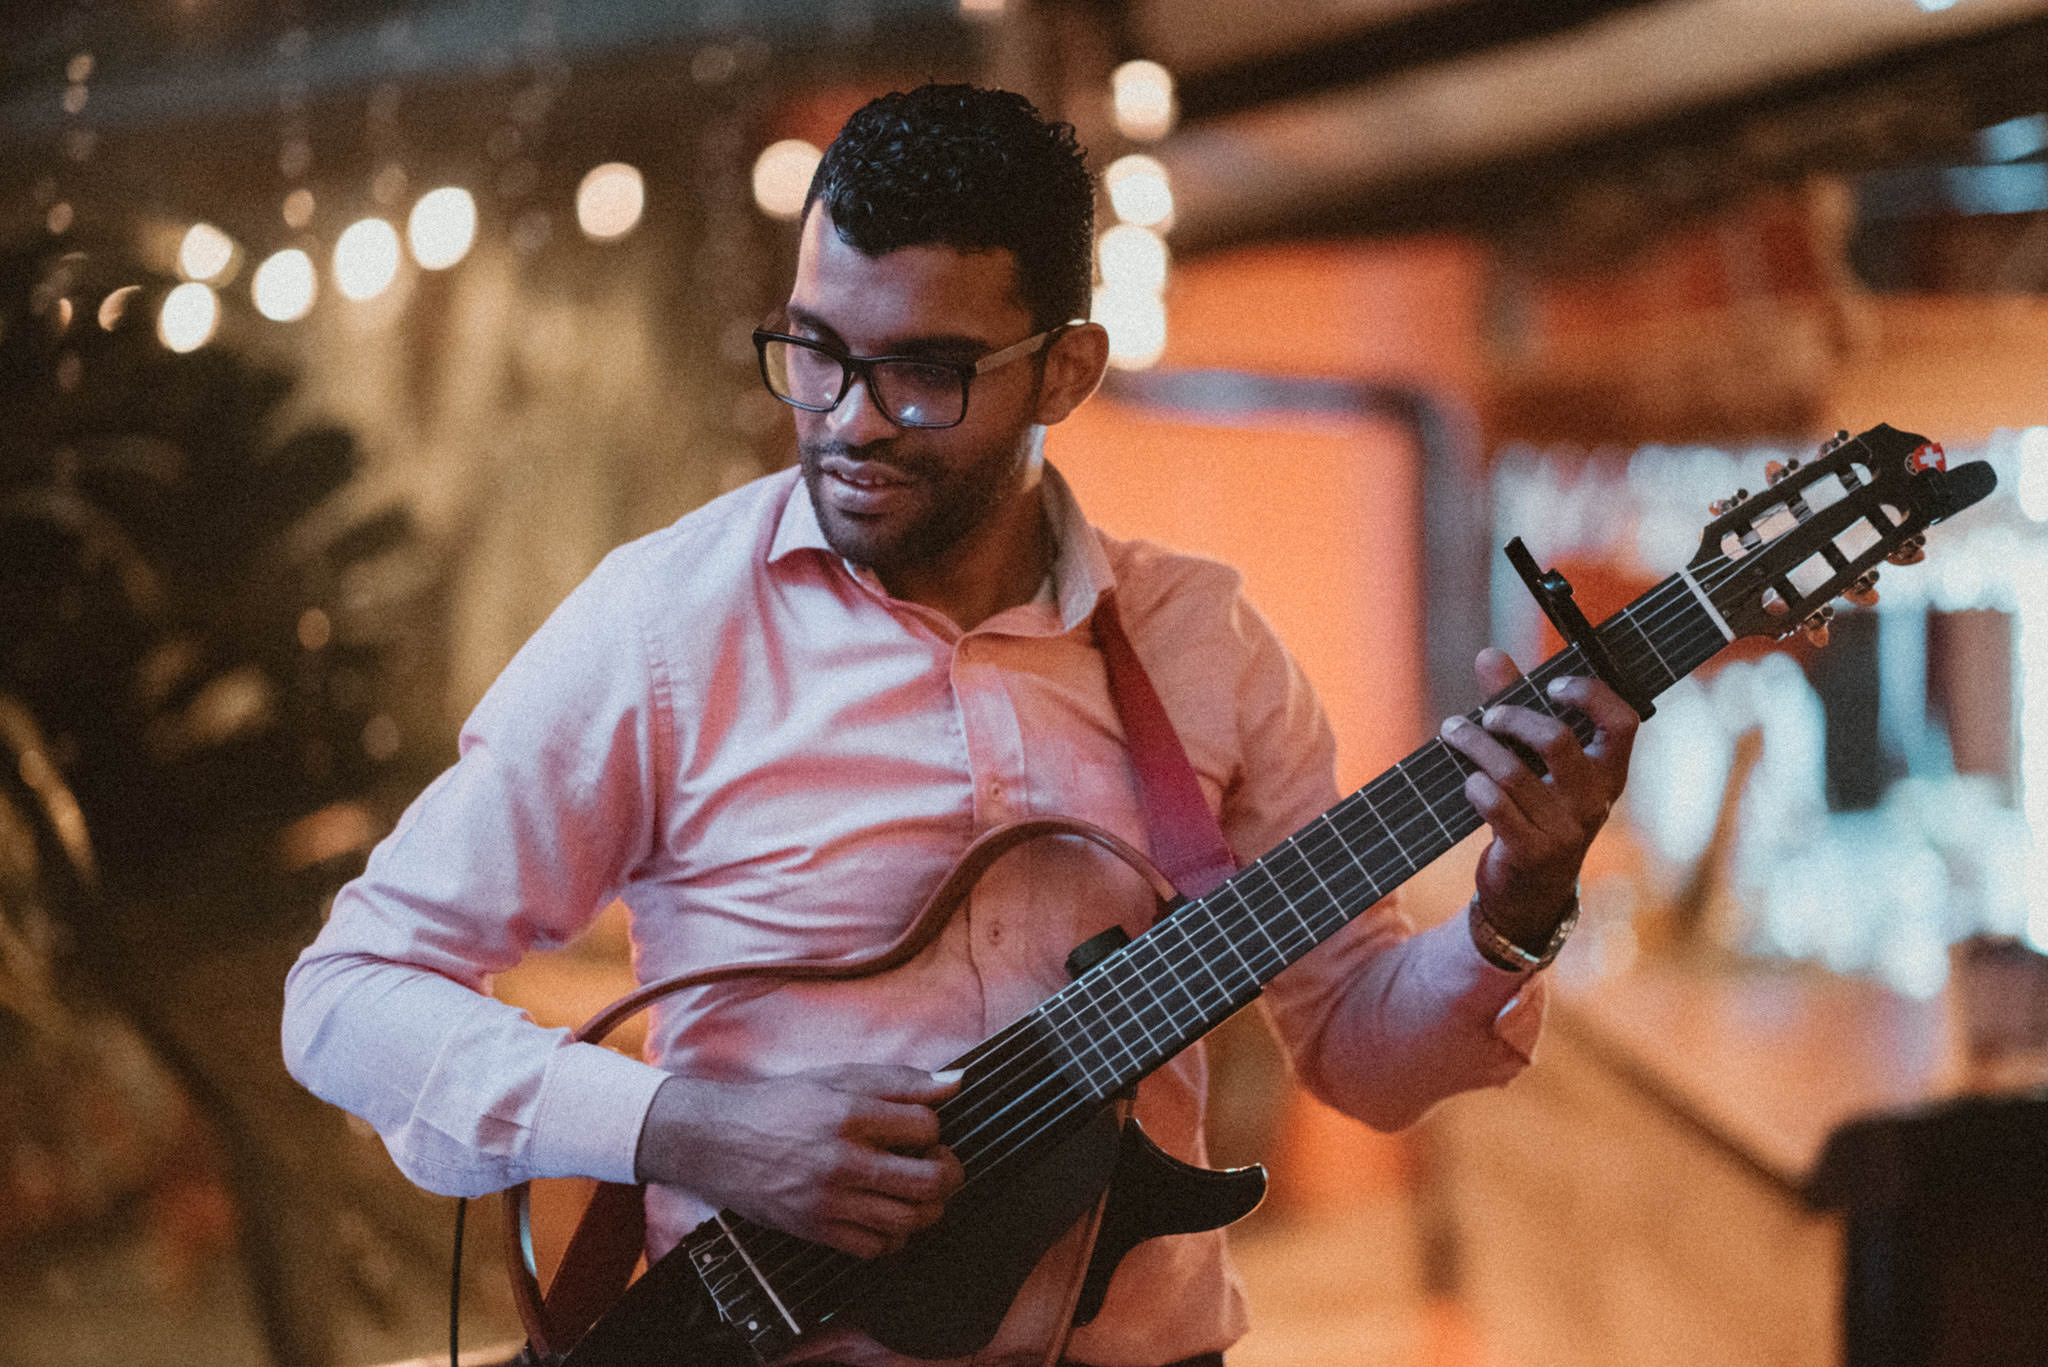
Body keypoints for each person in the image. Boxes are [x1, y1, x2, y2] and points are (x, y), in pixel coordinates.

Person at [283, 83, 1636, 1367]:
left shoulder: (1202, 645)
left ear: (1067, 371)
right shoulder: (660, 629)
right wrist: (687, 1131)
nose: (850, 422)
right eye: (814, 351)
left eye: (925, 371)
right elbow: (349, 1003)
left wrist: (1520, 897)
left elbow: (1359, 1056)